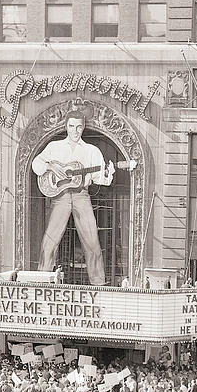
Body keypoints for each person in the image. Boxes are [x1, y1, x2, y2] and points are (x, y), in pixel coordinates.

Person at [31, 111, 115, 285]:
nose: (75, 131)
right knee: (50, 240)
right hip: (60, 197)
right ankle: (41, 281)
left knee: (92, 242)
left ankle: (98, 283)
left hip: (81, 196)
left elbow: (100, 179)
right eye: (71, 126)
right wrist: (50, 165)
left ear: (83, 127)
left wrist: (109, 173)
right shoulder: (54, 147)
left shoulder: (92, 151)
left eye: (78, 126)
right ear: (66, 126)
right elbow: (36, 164)